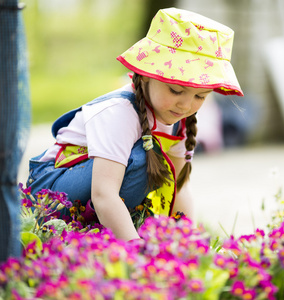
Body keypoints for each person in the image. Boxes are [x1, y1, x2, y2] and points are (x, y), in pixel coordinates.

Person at [26, 7, 243, 241]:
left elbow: (180, 187)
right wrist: (137, 250)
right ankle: (96, 233)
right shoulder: (120, 113)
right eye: (176, 90)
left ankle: (105, 231)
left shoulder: (181, 120)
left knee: (152, 158)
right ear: (147, 73)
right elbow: (104, 193)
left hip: (99, 192)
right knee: (144, 157)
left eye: (200, 97)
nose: (186, 105)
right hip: (50, 194)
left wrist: (188, 241)